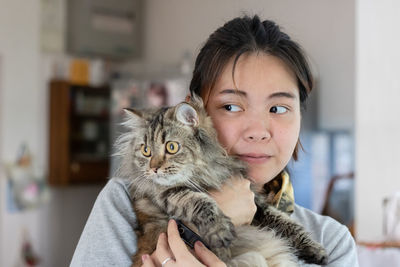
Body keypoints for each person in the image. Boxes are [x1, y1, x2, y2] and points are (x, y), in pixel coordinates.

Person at [70, 15, 359, 267]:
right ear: (194, 116)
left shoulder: (330, 241)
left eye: (278, 109)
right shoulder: (123, 203)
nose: (258, 131)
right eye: (231, 106)